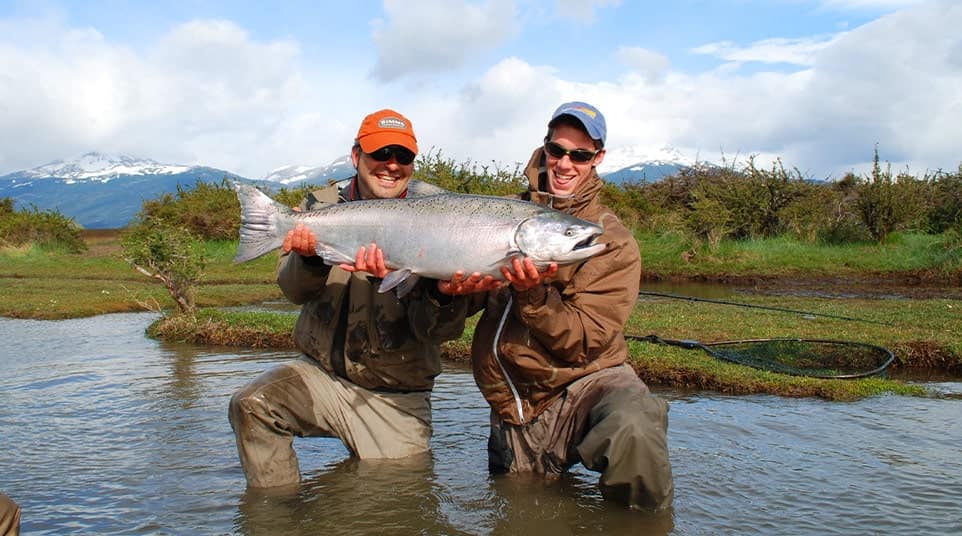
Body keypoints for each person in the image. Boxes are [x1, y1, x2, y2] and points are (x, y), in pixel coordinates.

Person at [228, 108, 478, 489]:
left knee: (397, 502)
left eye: (403, 156)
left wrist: (441, 295)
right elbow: (294, 291)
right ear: (356, 156)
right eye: (381, 153)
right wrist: (310, 257)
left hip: (395, 397)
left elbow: (438, 332)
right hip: (320, 376)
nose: (391, 164)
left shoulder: (443, 217)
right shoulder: (319, 207)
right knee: (251, 405)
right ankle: (278, 512)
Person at [448, 102, 674, 510]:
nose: (565, 163)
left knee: (635, 429)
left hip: (592, 384)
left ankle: (643, 524)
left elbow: (585, 341)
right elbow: (454, 315)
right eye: (557, 150)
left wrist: (533, 294)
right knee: (519, 509)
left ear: (598, 158)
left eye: (580, 155)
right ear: (546, 147)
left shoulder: (609, 241)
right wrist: (449, 291)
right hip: (517, 402)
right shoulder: (498, 214)